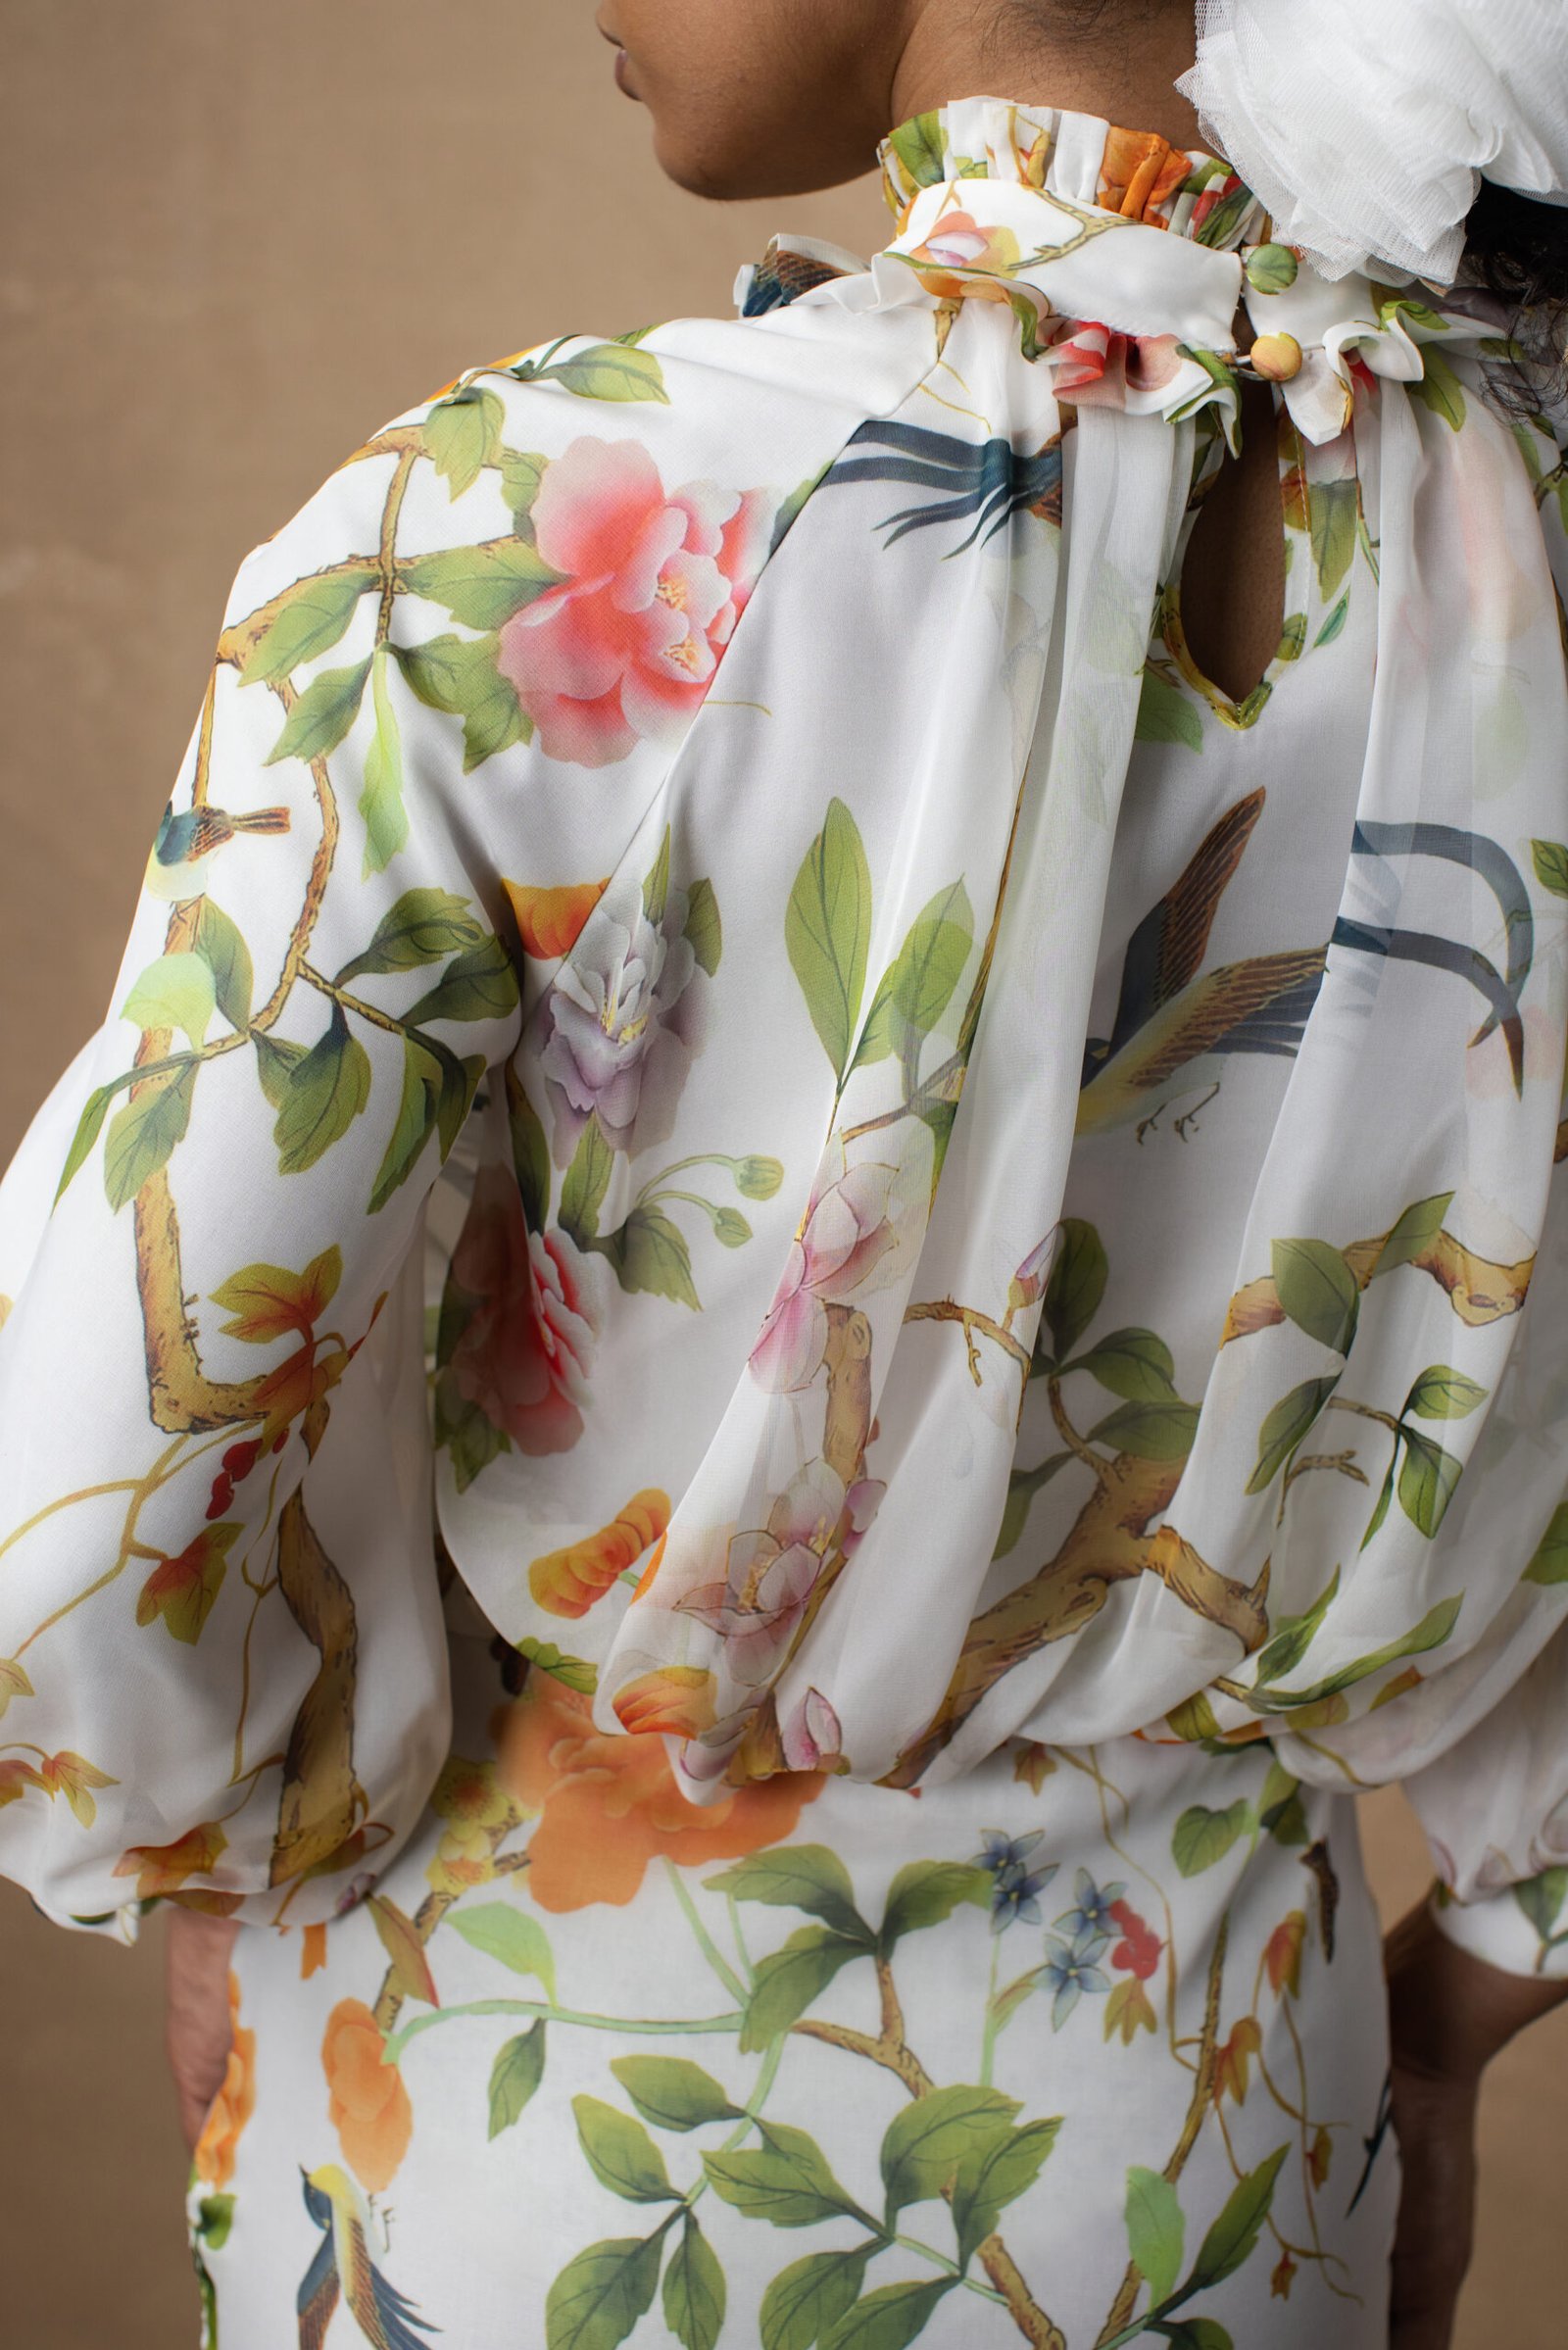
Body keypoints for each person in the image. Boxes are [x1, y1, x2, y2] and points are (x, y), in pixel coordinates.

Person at [3, 0, 1567, 2342]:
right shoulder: (1526, 541)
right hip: (1223, 2143)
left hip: (530, 2111)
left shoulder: (501, 530)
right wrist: (1441, 2018)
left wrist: (216, 1855)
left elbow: (107, 1471)